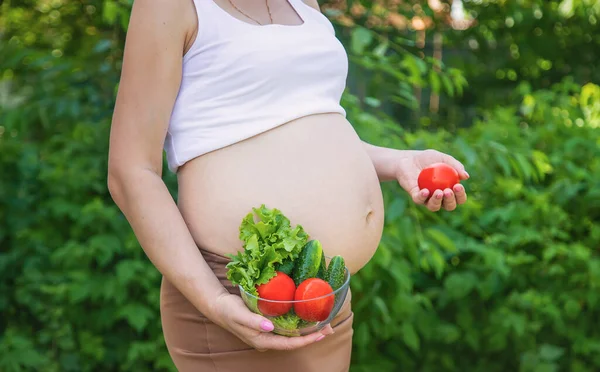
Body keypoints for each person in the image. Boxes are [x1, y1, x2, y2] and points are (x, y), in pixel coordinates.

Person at [107, 0, 469, 371]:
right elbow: (131, 171)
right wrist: (214, 300)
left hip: (324, 299)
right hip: (243, 301)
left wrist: (399, 162)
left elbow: (307, 130)